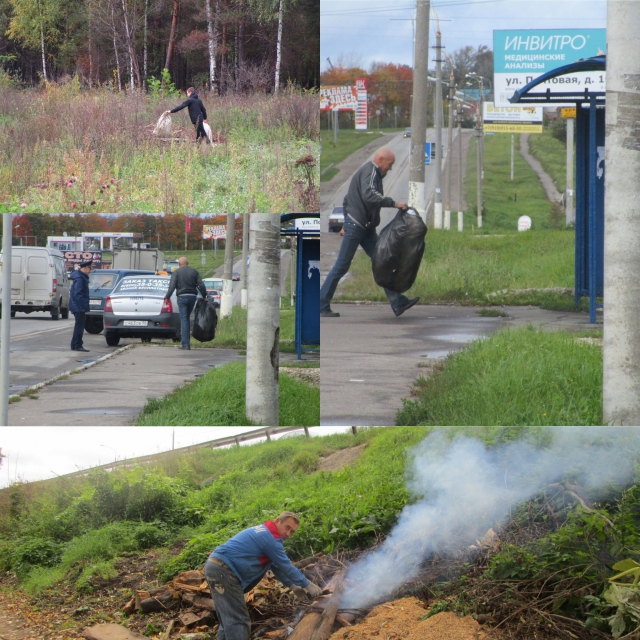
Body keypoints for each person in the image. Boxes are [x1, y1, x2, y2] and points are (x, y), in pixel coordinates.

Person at [321, 147, 421, 318]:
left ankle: (397, 301)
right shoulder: (371, 171)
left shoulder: (372, 174)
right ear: (380, 159)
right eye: (390, 164)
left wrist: (346, 221)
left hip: (365, 228)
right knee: (342, 265)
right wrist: (393, 203)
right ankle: (321, 303)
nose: (390, 168)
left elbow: (348, 199)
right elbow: (369, 196)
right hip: (357, 226)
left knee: (383, 262)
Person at [204, 512, 323, 640]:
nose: (288, 534)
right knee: (239, 622)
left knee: (228, 621)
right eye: (287, 528)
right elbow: (286, 566)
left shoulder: (264, 532)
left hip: (215, 568)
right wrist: (307, 584)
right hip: (224, 572)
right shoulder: (270, 538)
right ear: (278, 521)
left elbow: (276, 566)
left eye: (292, 532)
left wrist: (292, 585)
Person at [164, 257, 207, 350]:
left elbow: (172, 287)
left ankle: (185, 344)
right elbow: (201, 285)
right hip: (192, 297)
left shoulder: (176, 272)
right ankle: (186, 342)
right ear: (187, 263)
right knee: (186, 318)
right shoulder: (194, 271)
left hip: (182, 297)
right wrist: (204, 296)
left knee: (184, 319)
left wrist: (167, 297)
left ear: (179, 264)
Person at [69, 260, 92, 352]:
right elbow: (78, 294)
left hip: (76, 305)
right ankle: (77, 345)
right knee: (80, 326)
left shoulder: (79, 277)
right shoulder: (80, 278)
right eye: (89, 268)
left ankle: (74, 344)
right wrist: (82, 306)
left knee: (78, 325)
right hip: (78, 306)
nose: (90, 270)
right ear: (84, 268)